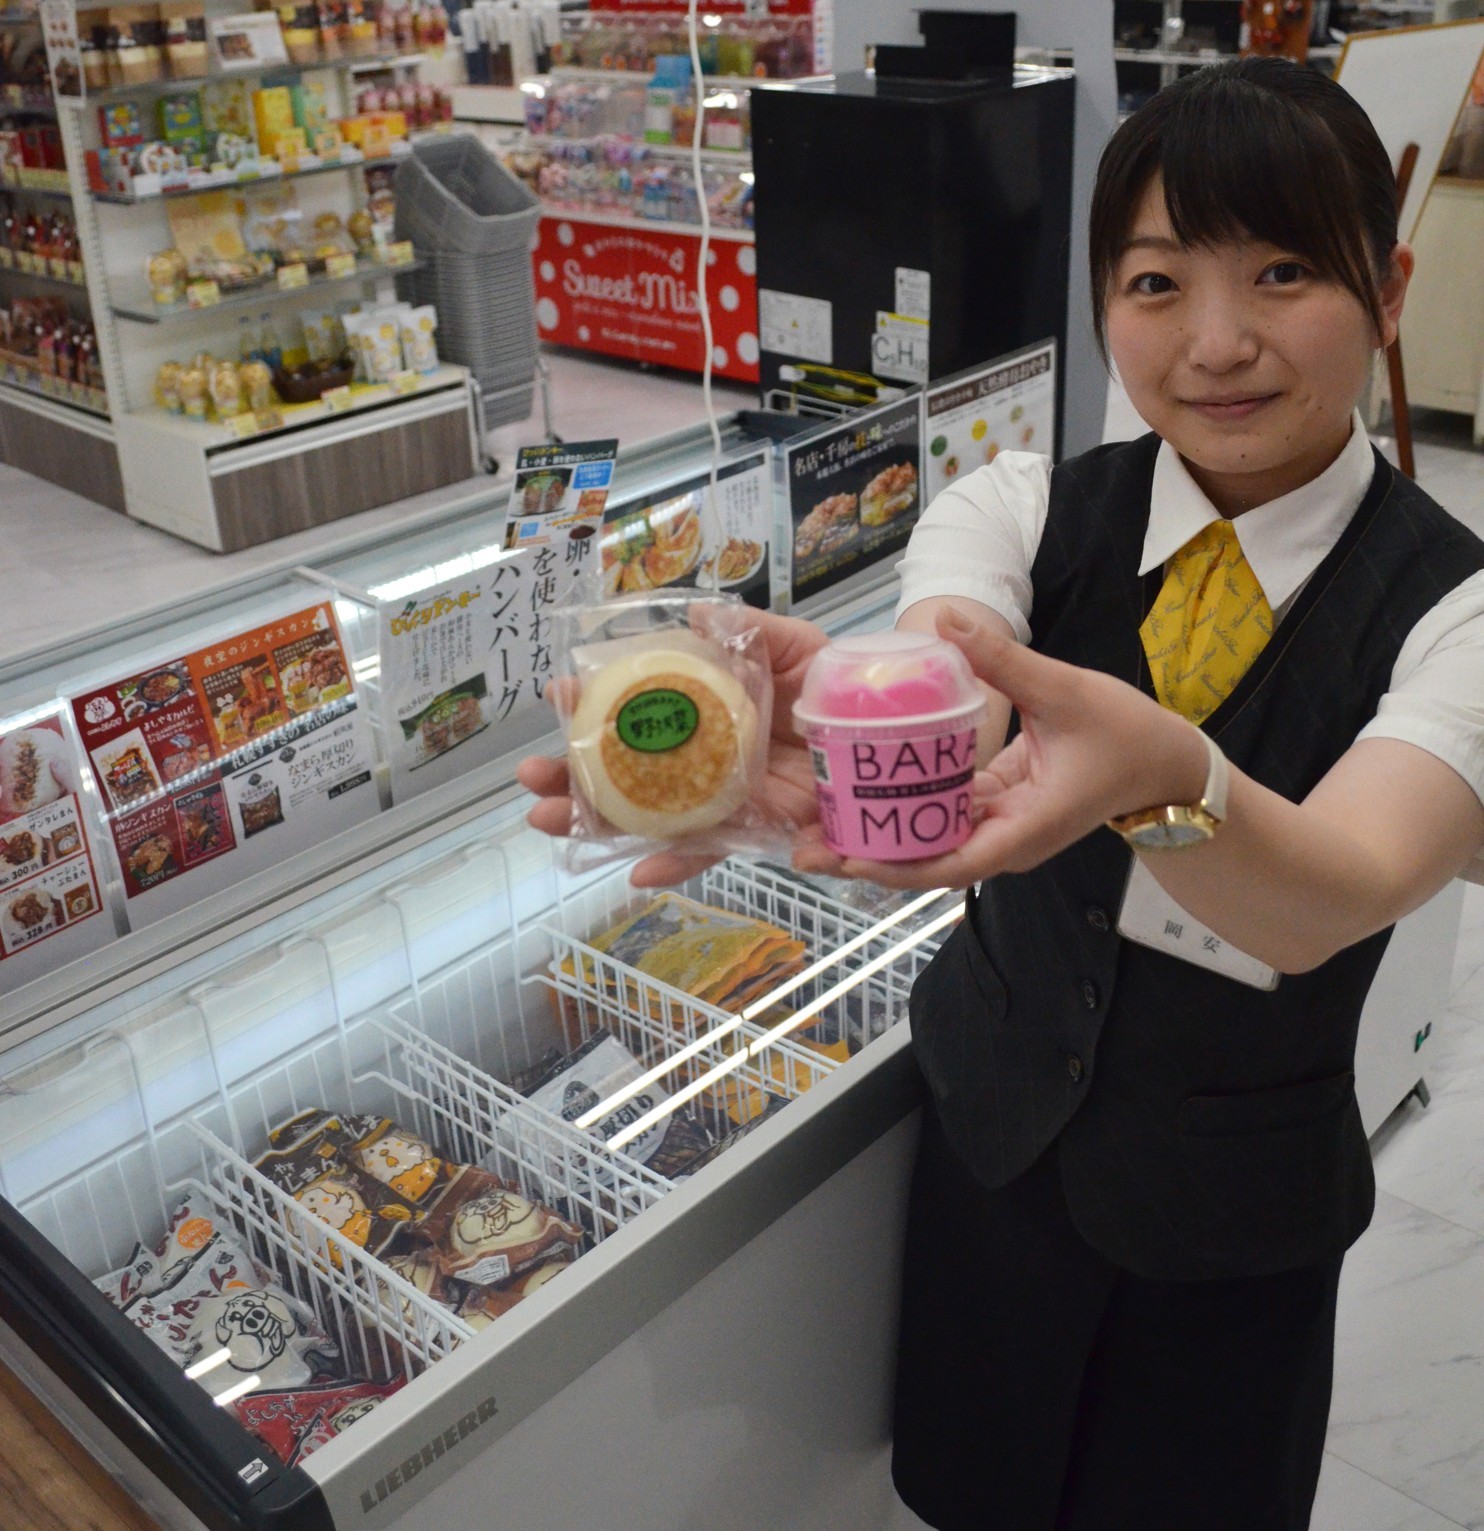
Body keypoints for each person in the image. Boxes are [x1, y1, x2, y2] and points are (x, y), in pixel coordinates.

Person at [518, 57, 1484, 1530]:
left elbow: (1338, 886)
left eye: (1283, 272)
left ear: (1389, 286)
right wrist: (858, 726)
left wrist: (1159, 772)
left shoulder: (1454, 608)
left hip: (1235, 1230)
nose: (1217, 342)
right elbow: (952, 674)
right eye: (1156, 283)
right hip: (997, 1162)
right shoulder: (1020, 506)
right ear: (1103, 304)